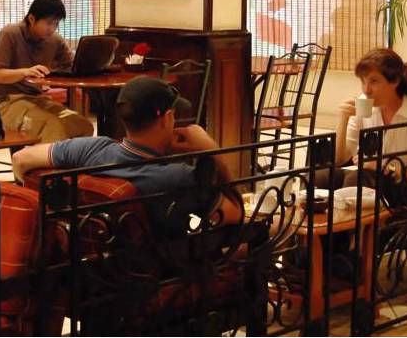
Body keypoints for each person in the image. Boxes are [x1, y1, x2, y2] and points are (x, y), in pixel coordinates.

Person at [12, 76, 242, 228]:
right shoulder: (177, 177)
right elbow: (235, 213)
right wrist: (210, 149)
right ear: (167, 118)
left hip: (92, 267)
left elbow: (20, 159)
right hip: (159, 274)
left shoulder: (90, 148)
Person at [329, 49, 407, 198]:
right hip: (374, 181)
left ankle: (345, 212)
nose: (366, 90)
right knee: (320, 176)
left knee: (357, 179)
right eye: (363, 81)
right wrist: (343, 119)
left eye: (373, 81)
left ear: (395, 81)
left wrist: (384, 167)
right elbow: (339, 159)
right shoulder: (365, 107)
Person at [0, 0, 94, 143]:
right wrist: (25, 72)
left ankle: (66, 159)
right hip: (6, 103)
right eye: (48, 23)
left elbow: (72, 66)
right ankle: (46, 158)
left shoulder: (54, 40)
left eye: (56, 24)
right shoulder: (9, 34)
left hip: (39, 99)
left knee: (83, 125)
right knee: (53, 126)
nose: (52, 29)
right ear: (32, 18)